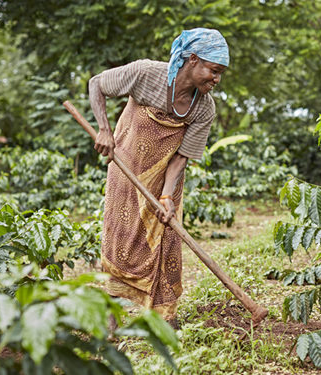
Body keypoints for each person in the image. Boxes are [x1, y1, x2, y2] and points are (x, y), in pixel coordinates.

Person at [88, 28, 229, 328]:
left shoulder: (204, 107)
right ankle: (111, 319)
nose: (217, 80)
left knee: (166, 240)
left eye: (221, 74)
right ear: (193, 60)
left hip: (166, 180)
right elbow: (96, 84)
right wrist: (103, 129)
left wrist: (166, 197)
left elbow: (181, 158)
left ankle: (165, 319)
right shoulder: (146, 74)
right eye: (214, 71)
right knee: (120, 241)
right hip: (126, 174)